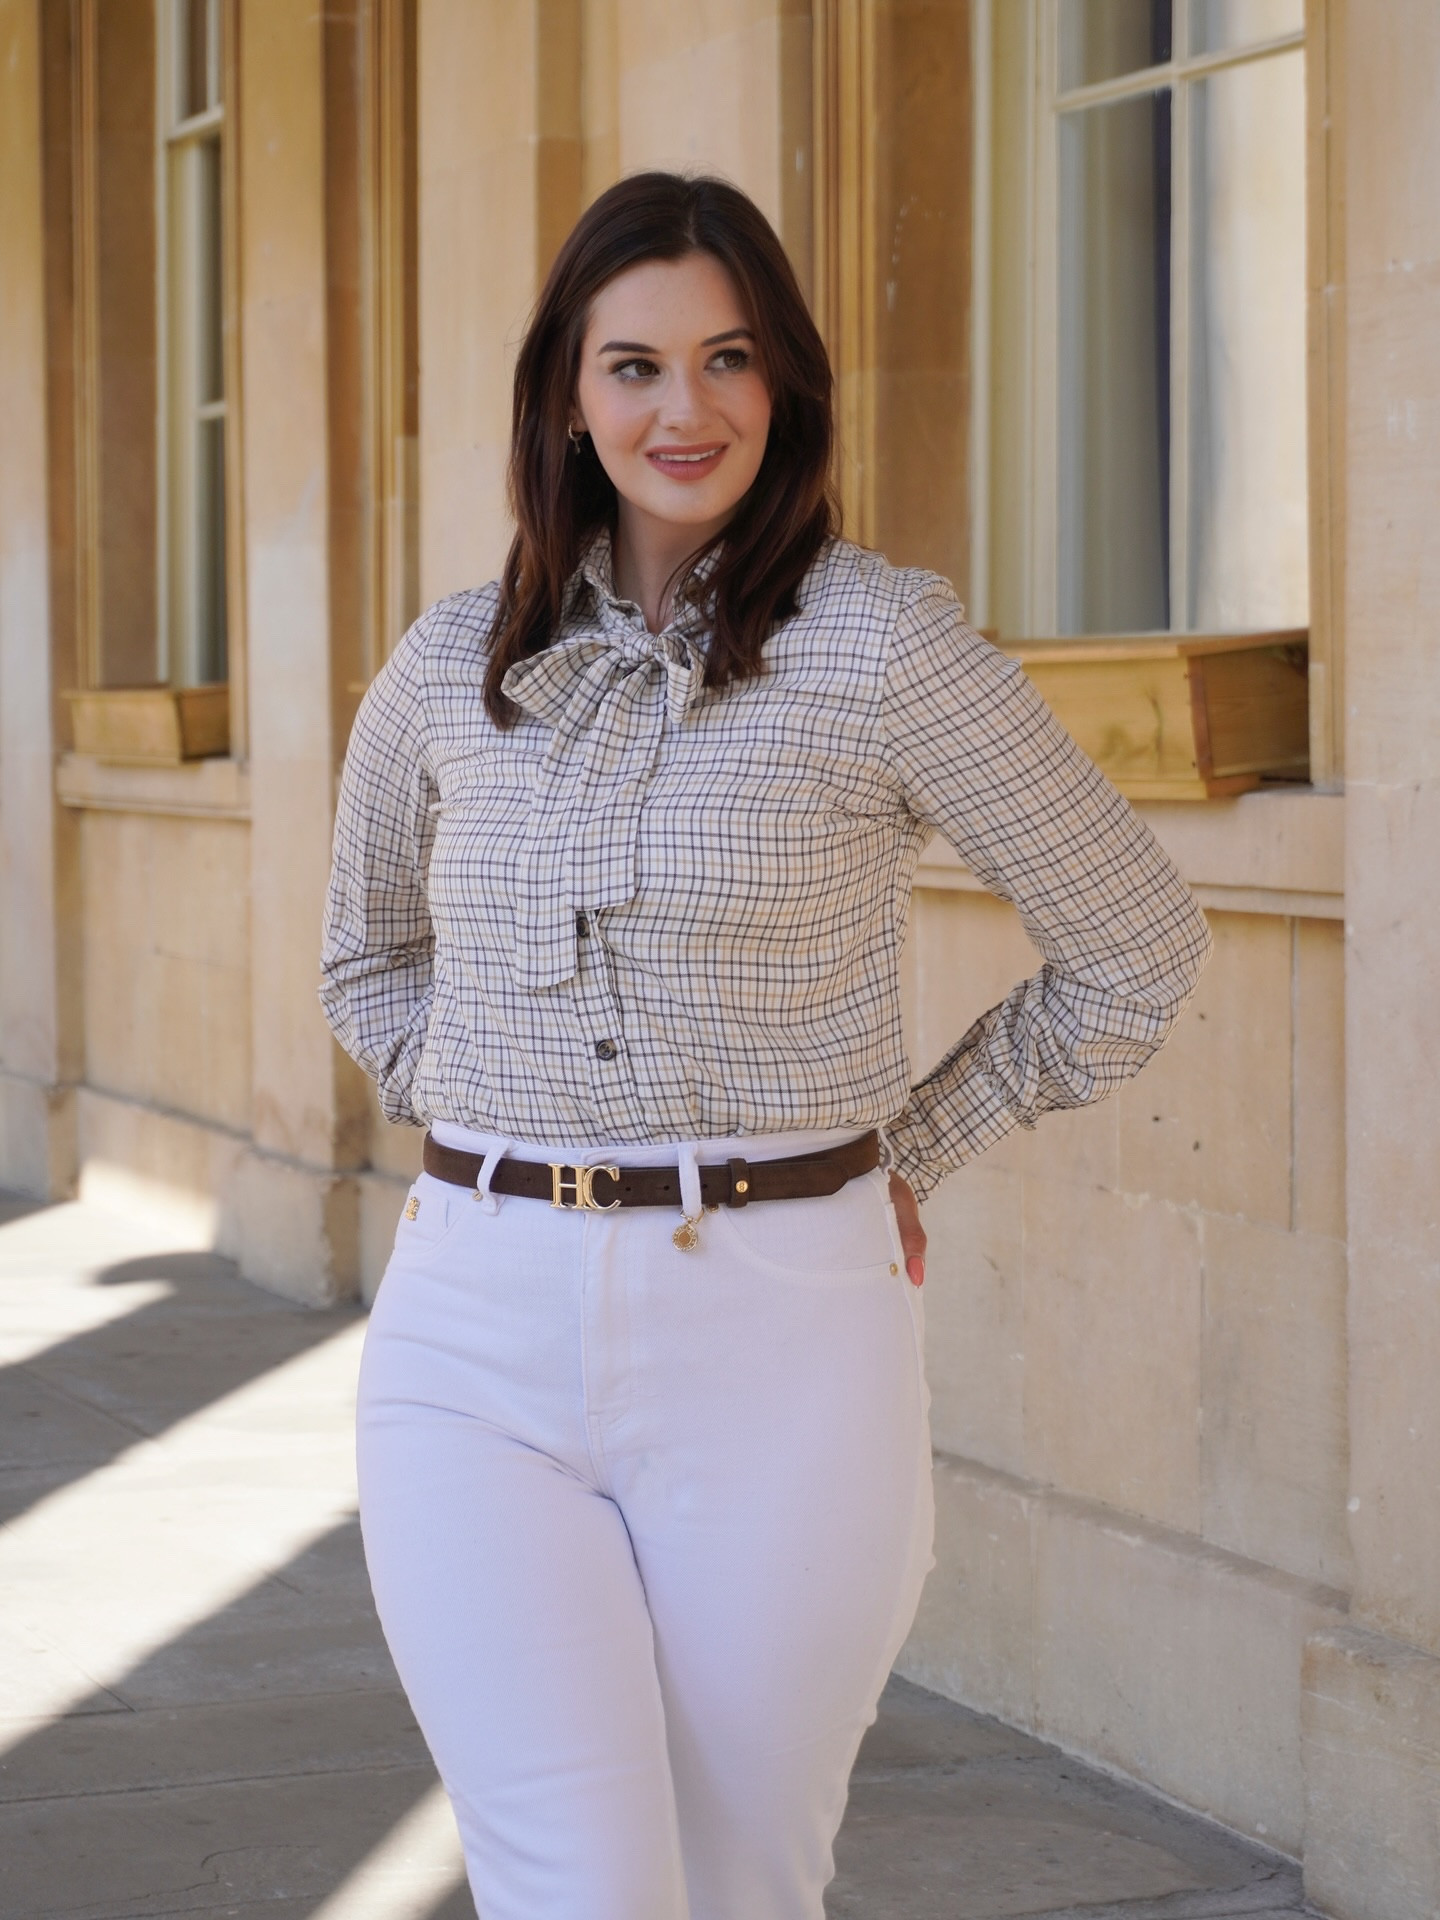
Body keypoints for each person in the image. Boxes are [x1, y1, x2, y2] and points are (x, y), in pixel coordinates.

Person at [320, 170, 1212, 1920]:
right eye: (634, 364)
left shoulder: (884, 644)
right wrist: (510, 1118)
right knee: (579, 1889)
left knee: (739, 1883)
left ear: (785, 381)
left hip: (782, 1335)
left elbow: (1134, 943)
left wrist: (912, 1151)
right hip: (470, 1338)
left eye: (729, 359)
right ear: (568, 396)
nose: (686, 408)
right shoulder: (446, 669)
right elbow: (370, 963)